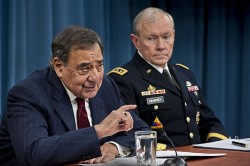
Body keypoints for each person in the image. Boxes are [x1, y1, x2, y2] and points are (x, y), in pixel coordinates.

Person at [0, 25, 150, 166]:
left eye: (99, 65)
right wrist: (99, 131)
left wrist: (114, 147)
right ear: (59, 66)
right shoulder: (28, 94)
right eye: (85, 68)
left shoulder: (106, 86)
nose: (95, 77)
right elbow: (33, 153)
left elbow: (141, 131)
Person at [108, 7, 228, 147]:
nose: (161, 46)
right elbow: (131, 133)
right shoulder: (122, 79)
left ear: (174, 36)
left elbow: (210, 122)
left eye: (166, 37)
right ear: (136, 41)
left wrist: (214, 150)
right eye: (151, 39)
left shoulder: (185, 74)